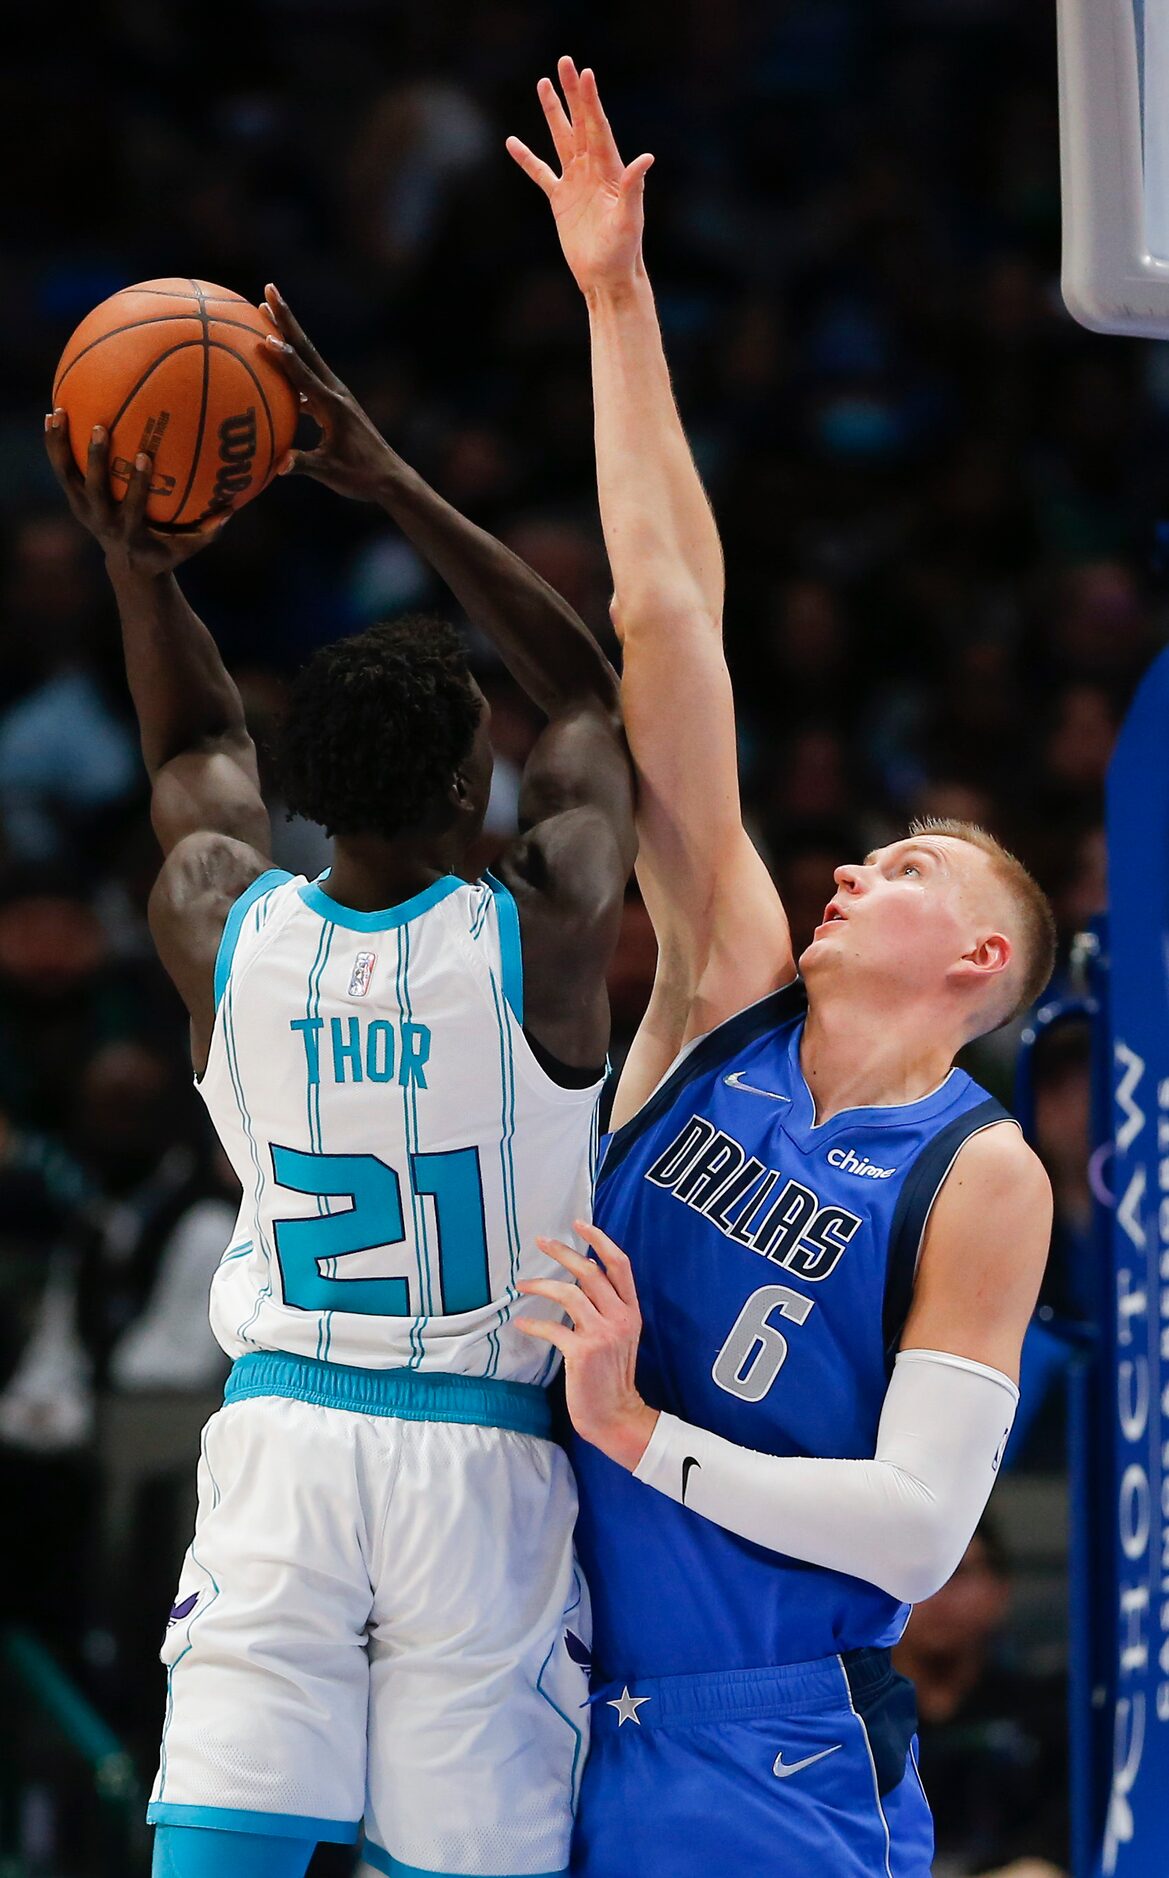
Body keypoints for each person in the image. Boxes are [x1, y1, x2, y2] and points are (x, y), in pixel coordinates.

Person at [507, 60, 1054, 1878]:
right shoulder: (729, 989)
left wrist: (635, 1426)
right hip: (542, 1668)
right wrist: (614, 300)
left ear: (978, 954)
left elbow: (909, 1530)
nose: (846, 864)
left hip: (770, 1738)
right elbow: (664, 614)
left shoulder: (976, 1173)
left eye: (901, 865)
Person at [44, 283, 636, 1878]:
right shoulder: (548, 927)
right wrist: (385, 476)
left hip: (286, 1439)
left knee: (220, 1852)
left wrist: (137, 565)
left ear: (301, 793)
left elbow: (188, 753)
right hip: (482, 1461)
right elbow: (587, 693)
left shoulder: (221, 924)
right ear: (475, 784)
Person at [894, 1520, 1068, 1877]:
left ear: (999, 1590)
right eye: (921, 1576)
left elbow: (1055, 1847)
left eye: (957, 1573)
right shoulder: (852, 1722)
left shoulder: (1047, 1716)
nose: (937, 1594)